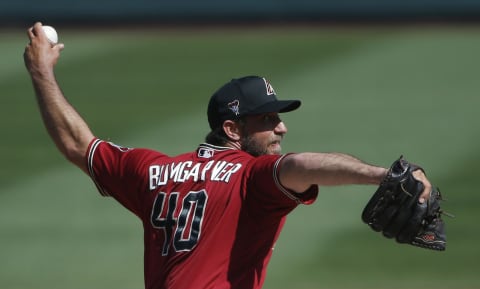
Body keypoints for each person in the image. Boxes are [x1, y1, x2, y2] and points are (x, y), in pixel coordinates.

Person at [24, 22, 433, 289]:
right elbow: (299, 165)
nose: (281, 127)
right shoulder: (250, 177)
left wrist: (42, 73)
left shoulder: (152, 169)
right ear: (232, 130)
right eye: (268, 119)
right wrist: (384, 174)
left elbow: (79, 144)